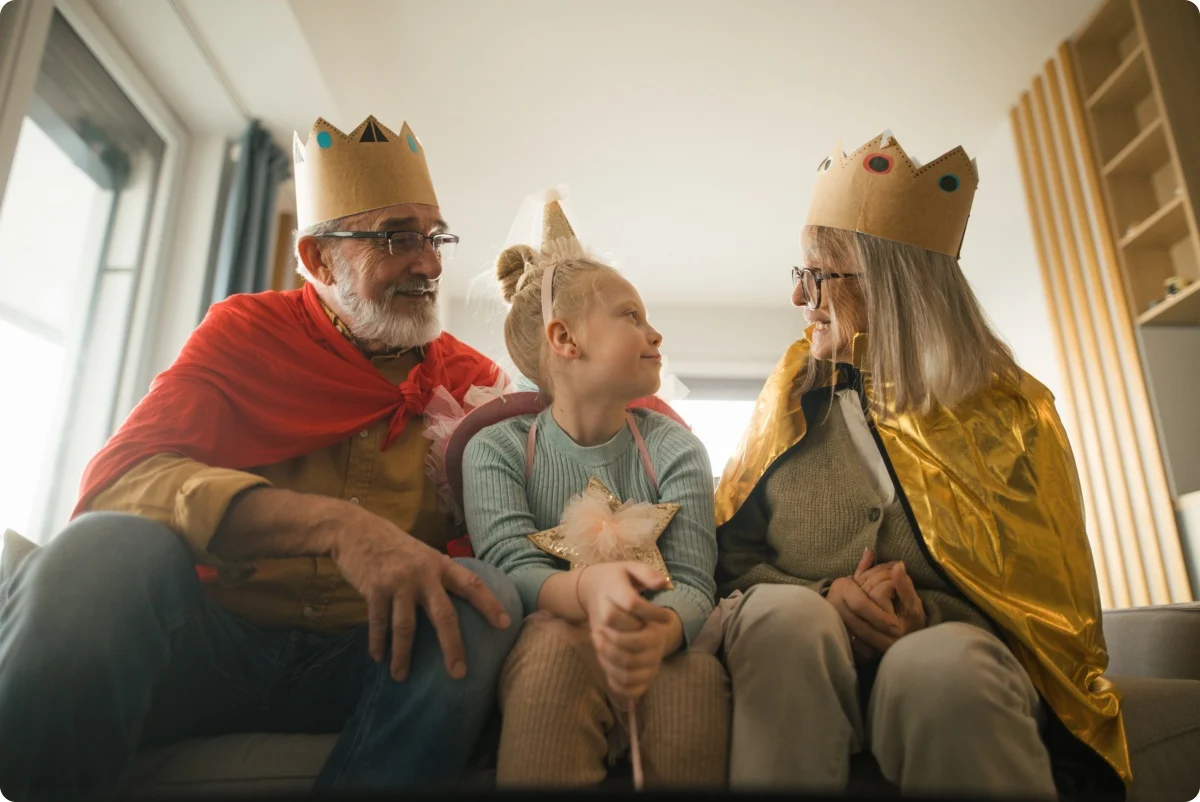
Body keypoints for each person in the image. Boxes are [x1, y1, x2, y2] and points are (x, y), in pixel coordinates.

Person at [0, 115, 522, 799]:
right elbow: (126, 483)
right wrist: (338, 527)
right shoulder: (246, 333)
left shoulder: (472, 382)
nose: (428, 262)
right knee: (105, 547)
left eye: (435, 237)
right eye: (398, 238)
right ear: (318, 259)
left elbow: (519, 529)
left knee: (487, 598)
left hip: (367, 661)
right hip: (210, 644)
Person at [713, 131, 1129, 797]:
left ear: (892, 284)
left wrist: (925, 618)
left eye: (816, 275)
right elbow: (726, 556)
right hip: (798, 656)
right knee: (788, 622)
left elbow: (1052, 608)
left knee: (942, 672)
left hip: (953, 658)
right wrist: (826, 597)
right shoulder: (789, 395)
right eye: (801, 275)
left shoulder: (1014, 412)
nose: (799, 299)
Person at [462, 195, 729, 787]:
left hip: (659, 639)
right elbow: (509, 565)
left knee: (694, 679)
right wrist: (588, 588)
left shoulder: (677, 450)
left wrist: (661, 631)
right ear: (565, 338)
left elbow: (691, 581)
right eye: (630, 315)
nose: (654, 331)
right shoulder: (497, 451)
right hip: (553, 637)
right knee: (552, 654)